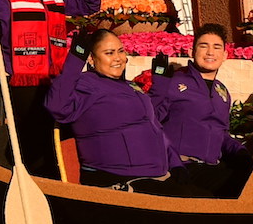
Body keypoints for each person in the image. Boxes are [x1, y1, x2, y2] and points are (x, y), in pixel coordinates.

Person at [0, 0, 100, 173]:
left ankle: (56, 182)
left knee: (56, 136)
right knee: (33, 138)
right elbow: (0, 28)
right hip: (23, 79)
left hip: (56, 77)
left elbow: (90, 6)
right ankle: (36, 183)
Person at [45, 28, 180, 191]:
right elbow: (57, 106)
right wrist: (75, 58)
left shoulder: (130, 86)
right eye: (109, 53)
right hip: (118, 180)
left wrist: (161, 84)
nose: (118, 58)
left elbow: (151, 121)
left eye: (121, 51)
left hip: (156, 176)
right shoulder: (86, 84)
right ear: (92, 59)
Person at [150, 24, 251, 194]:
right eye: (203, 46)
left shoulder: (222, 92)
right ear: (192, 51)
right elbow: (150, 125)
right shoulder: (173, 82)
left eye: (217, 47)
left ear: (225, 55)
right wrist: (159, 85)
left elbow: (221, 134)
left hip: (211, 167)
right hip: (180, 169)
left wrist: (240, 152)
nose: (210, 52)